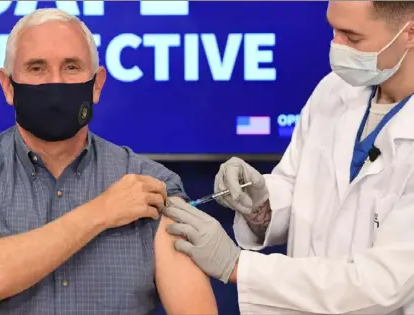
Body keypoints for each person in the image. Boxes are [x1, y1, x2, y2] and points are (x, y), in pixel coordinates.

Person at [0, 8, 217, 315]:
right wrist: (101, 211)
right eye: (36, 68)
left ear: (97, 85)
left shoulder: (149, 184)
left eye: (71, 67)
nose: (55, 84)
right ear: (8, 86)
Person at [164, 1, 414, 314]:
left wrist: (237, 266)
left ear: (410, 33)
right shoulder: (335, 90)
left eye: (352, 38)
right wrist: (261, 204)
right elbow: (299, 187)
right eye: (332, 30)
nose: (336, 47)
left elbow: (382, 284)